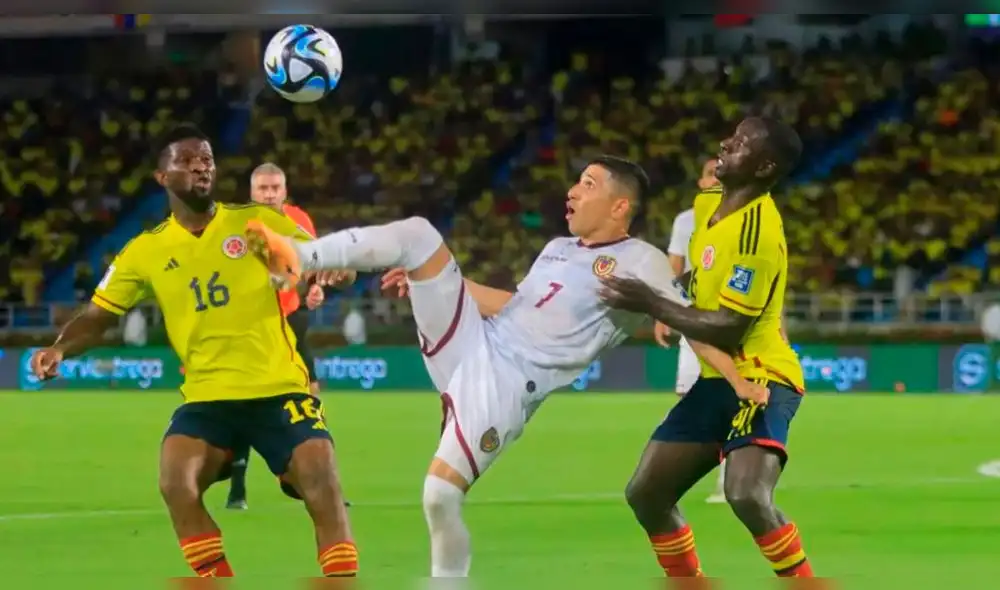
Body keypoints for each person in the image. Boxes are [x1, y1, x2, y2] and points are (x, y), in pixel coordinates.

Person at [247, 154, 768, 577]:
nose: (573, 191)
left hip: (509, 383)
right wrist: (434, 284)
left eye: (588, 184)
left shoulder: (643, 261)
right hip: (476, 338)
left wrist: (739, 380)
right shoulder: (558, 247)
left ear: (619, 206)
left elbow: (686, 321)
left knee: (439, 495)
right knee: (419, 237)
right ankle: (298, 254)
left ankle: (447, 579)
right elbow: (514, 306)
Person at [29, 124, 358, 578]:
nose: (202, 166)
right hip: (208, 396)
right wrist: (60, 349)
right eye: (187, 160)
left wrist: (337, 272)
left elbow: (323, 259)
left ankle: (340, 577)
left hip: (279, 387)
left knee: (323, 480)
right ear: (161, 178)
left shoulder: (253, 225)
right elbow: (98, 316)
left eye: (207, 158)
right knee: (175, 482)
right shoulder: (145, 251)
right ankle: (215, 580)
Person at [599, 117, 813, 578]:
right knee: (647, 493)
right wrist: (669, 293)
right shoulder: (708, 205)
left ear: (764, 167)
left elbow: (730, 326)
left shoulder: (759, 232)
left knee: (746, 494)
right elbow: (702, 279)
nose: (724, 144)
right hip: (716, 380)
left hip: (762, 377)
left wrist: (653, 301)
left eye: (739, 144)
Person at [225, 162, 337, 511]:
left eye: (275, 187)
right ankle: (238, 488)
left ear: (285, 189)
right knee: (243, 402)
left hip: (290, 319)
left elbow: (315, 261)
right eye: (263, 188)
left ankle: (319, 484)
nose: (270, 193)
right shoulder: (235, 225)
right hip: (251, 324)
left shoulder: (298, 219)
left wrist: (316, 287)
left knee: (311, 397)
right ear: (252, 192)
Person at [656, 158, 728, 504]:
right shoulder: (685, 222)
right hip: (692, 321)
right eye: (710, 172)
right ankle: (679, 476)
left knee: (733, 398)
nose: (716, 177)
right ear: (700, 182)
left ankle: (730, 482)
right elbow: (674, 269)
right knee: (688, 397)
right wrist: (663, 313)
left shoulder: (743, 220)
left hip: (730, 321)